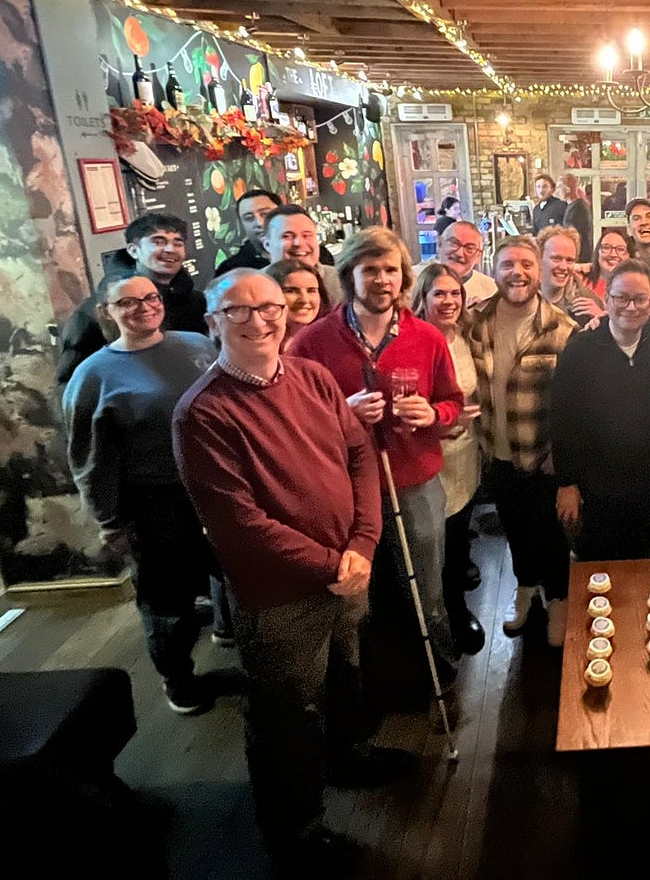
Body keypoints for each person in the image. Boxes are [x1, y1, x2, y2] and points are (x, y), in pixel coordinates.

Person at [172, 269, 382, 873]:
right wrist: (331, 564)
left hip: (349, 568)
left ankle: (347, 760)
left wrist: (363, 543)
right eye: (239, 311)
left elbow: (360, 453)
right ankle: (292, 832)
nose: (261, 320)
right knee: (284, 717)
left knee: (344, 674)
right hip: (280, 594)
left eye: (270, 306)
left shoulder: (313, 379)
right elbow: (239, 525)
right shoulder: (202, 414)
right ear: (212, 323)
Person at [286, 228, 469, 662]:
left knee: (427, 584)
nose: (382, 279)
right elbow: (294, 421)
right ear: (350, 275)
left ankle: (436, 667)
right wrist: (341, 415)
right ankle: (374, 677)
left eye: (391, 270)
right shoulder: (313, 341)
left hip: (415, 479)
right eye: (371, 270)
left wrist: (434, 415)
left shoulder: (425, 336)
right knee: (361, 594)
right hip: (345, 489)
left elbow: (453, 402)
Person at [63, 275, 219, 714]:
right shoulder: (92, 375)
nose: (142, 308)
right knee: (168, 600)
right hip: (155, 501)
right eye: (127, 302)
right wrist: (108, 521)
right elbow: (88, 458)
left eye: (149, 298)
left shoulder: (197, 345)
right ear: (106, 313)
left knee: (235, 575)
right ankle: (178, 678)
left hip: (214, 488)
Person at [467, 237, 579, 646]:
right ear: (493, 272)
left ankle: (560, 600)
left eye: (526, 264)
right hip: (495, 454)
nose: (518, 272)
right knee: (515, 530)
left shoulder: (563, 329)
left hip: (543, 456)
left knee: (551, 534)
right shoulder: (474, 322)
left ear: (540, 270)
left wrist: (565, 464)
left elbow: (574, 404)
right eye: (508, 264)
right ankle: (525, 591)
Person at [551, 260, 650, 561]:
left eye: (640, 299)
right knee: (597, 560)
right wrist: (566, 483)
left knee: (643, 552)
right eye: (621, 298)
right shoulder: (579, 350)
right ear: (606, 300)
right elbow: (562, 419)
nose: (630, 307)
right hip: (597, 487)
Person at [409, 263, 486, 656]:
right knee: (427, 548)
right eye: (439, 293)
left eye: (454, 293)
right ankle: (431, 624)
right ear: (421, 298)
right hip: (426, 456)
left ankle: (455, 611)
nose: (448, 301)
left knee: (457, 540)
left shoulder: (468, 335)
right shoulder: (412, 341)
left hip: (465, 454)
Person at [57, 212, 209, 384]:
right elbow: (73, 381)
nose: (170, 249)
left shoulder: (195, 301)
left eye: (177, 243)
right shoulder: (102, 309)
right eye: (158, 241)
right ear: (133, 250)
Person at [217, 189, 337, 274]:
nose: (259, 222)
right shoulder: (232, 269)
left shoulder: (320, 255)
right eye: (249, 218)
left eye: (265, 214)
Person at [265, 204, 343, 307]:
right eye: (287, 236)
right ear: (267, 244)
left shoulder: (340, 281)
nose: (299, 243)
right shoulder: (254, 283)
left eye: (307, 235)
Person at [537, 224, 601, 328]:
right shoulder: (525, 294)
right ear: (539, 258)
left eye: (569, 260)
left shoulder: (586, 301)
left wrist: (602, 319)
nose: (563, 267)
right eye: (556, 258)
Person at [423, 220, 498, 308]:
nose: (459, 253)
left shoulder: (491, 291)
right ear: (439, 244)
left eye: (469, 248)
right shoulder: (412, 281)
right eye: (454, 243)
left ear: (479, 256)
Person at [265, 258, 329, 347]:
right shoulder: (253, 344)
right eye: (291, 291)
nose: (304, 299)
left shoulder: (330, 342)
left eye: (311, 291)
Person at [586, 227, 632, 301]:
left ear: (629, 255)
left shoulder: (636, 287)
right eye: (606, 248)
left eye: (620, 249)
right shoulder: (582, 281)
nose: (613, 254)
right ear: (598, 252)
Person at [559, 173, 594, 264]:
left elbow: (575, 237)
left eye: (560, 187)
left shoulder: (578, 208)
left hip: (579, 259)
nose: (557, 191)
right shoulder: (574, 206)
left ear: (567, 189)